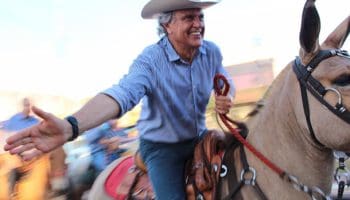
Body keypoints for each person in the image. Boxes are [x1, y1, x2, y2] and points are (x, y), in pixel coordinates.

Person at [4, 0, 235, 199]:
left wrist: (228, 97)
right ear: (167, 25)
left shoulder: (211, 51)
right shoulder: (151, 60)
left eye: (200, 17)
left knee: (242, 165)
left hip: (199, 137)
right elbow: (122, 94)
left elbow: (225, 81)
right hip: (162, 149)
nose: (198, 24)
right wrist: (71, 126)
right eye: (188, 18)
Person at [72, 119, 137, 199]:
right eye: (112, 119)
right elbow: (92, 139)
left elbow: (122, 141)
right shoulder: (95, 128)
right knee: (102, 166)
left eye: (115, 119)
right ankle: (103, 185)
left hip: (115, 154)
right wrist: (105, 133)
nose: (114, 121)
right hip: (99, 153)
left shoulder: (117, 130)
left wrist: (118, 143)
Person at [0, 98, 51, 200]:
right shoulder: (12, 120)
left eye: (29, 106)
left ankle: (51, 185)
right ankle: (11, 192)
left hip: (33, 155)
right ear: (22, 106)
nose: (28, 108)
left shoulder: (36, 122)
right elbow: (5, 137)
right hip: (15, 154)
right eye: (26, 105)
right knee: (10, 166)